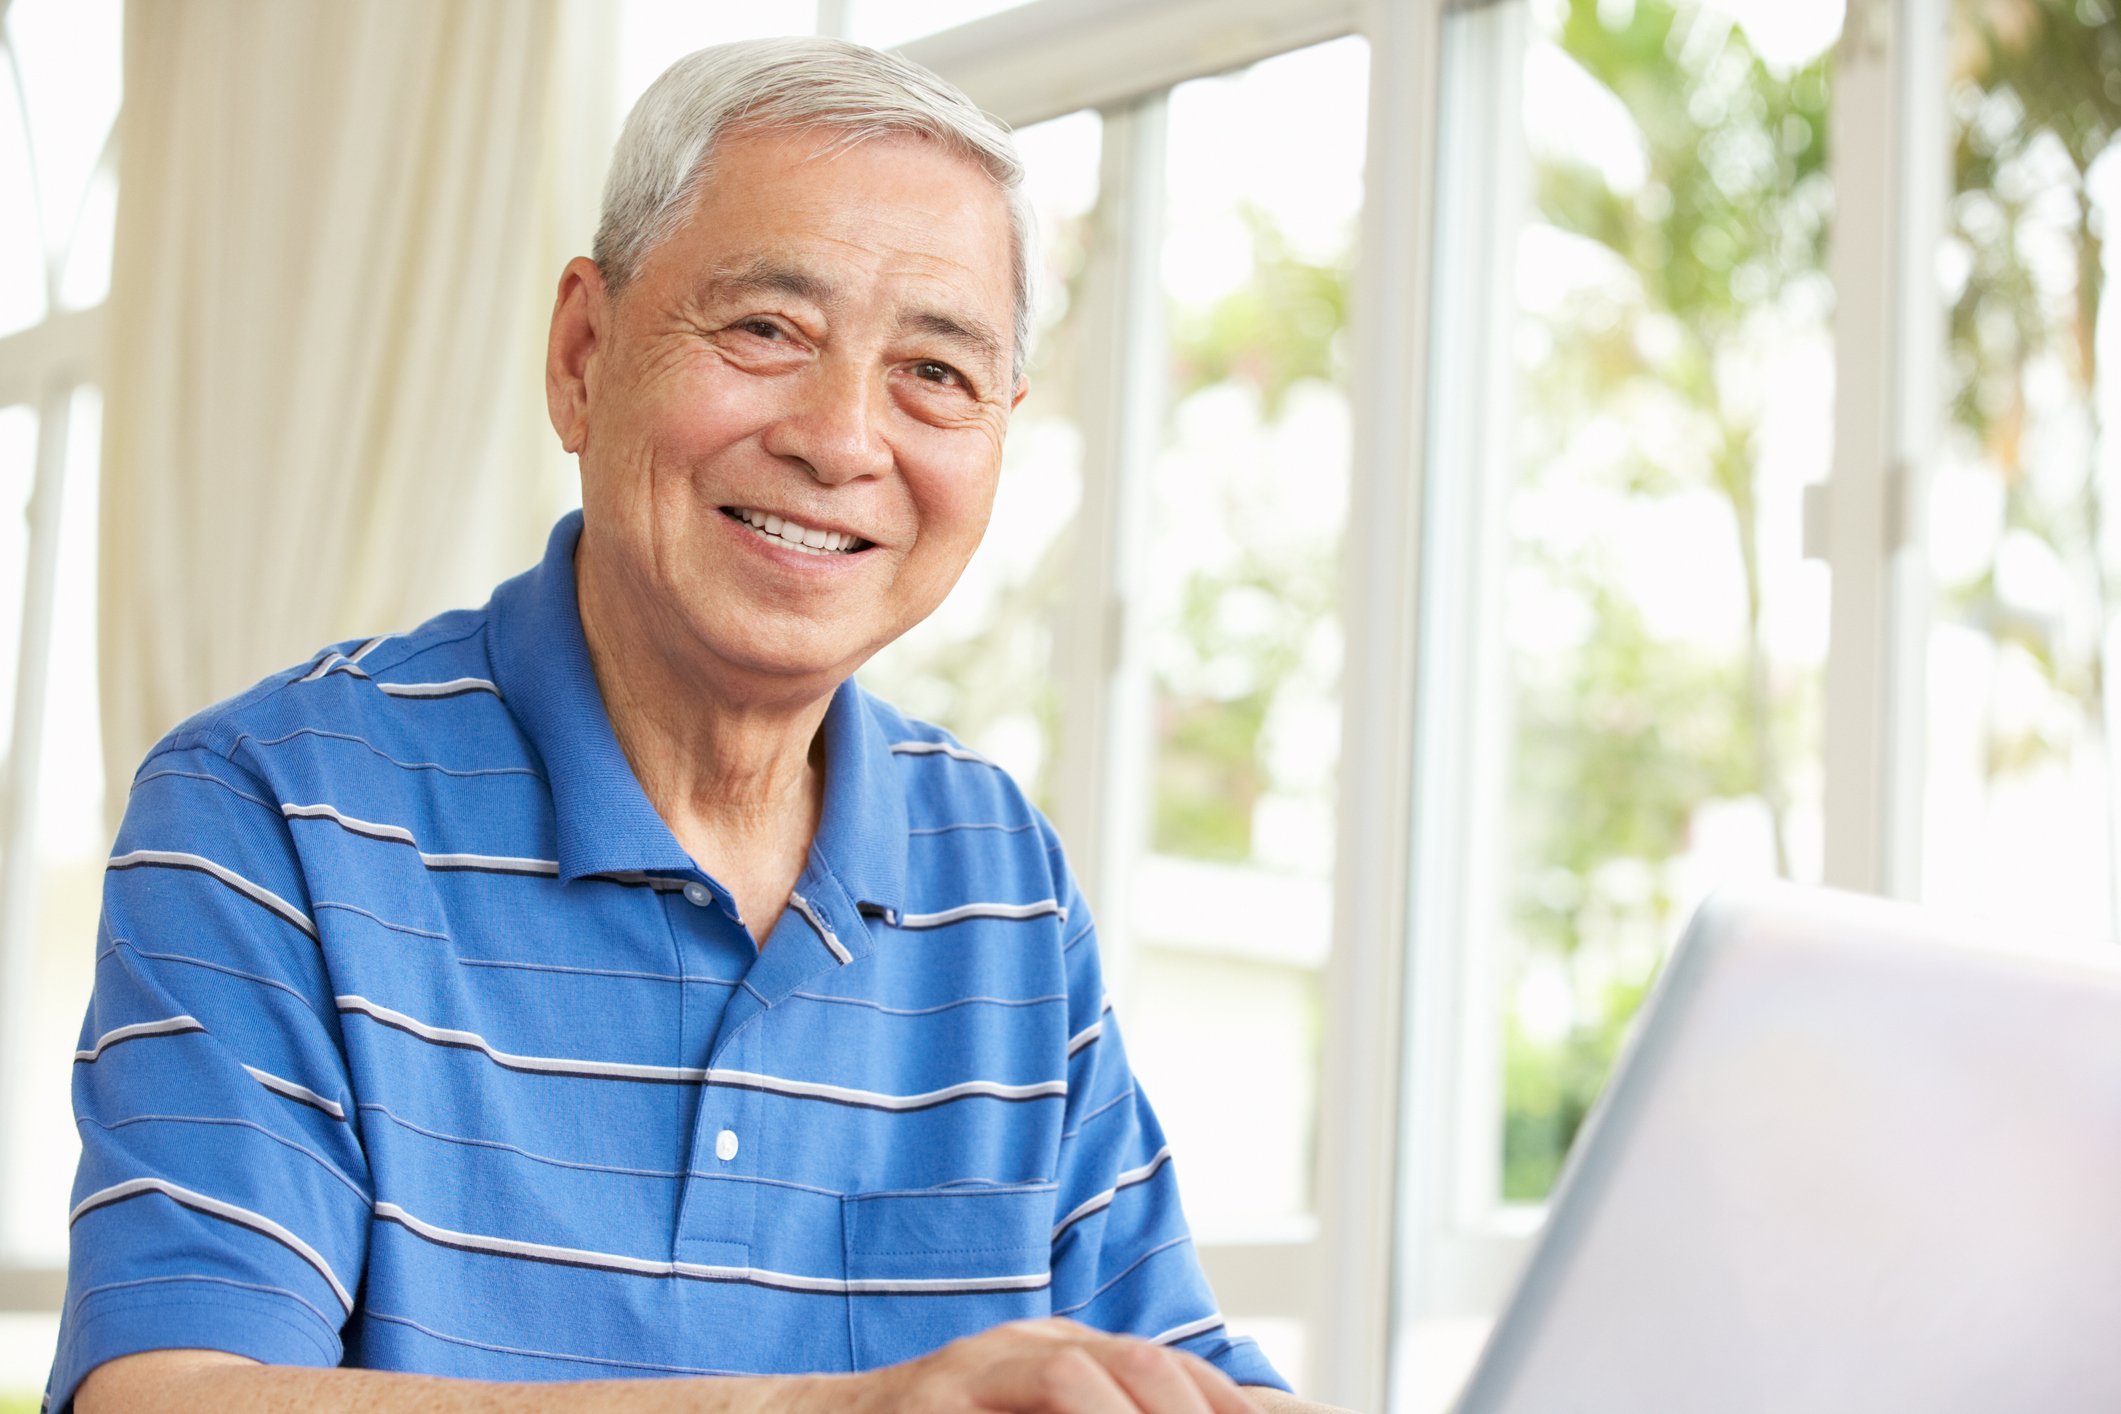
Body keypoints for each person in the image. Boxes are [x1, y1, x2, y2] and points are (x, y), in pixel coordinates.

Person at [53, 37, 1344, 1414]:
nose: (842, 439)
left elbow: (1167, 1369)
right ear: (583, 355)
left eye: (935, 372)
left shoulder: (998, 874)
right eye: (767, 330)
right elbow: (171, 1393)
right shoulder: (273, 804)